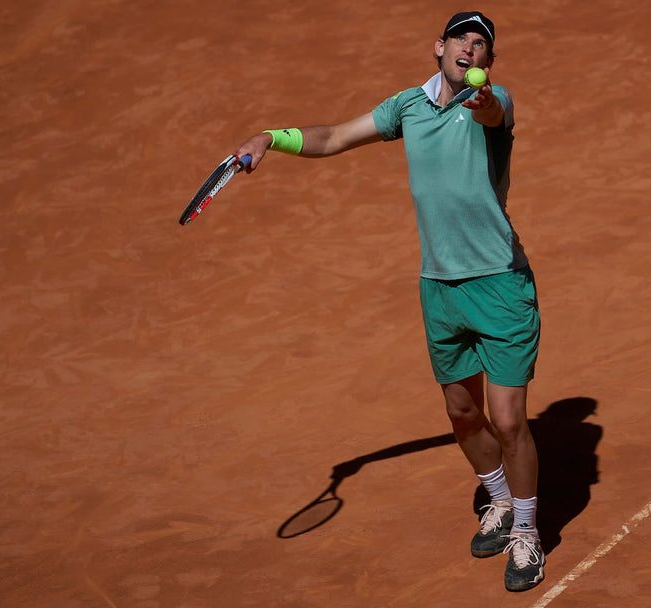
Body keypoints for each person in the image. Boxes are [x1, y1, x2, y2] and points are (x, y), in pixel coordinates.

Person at [233, 11, 545, 593]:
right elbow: (333, 137)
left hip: (501, 284)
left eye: (482, 46)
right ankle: (499, 502)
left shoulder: (493, 102)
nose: (471, 50)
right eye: (462, 39)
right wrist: (270, 137)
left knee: (508, 418)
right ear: (439, 47)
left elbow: (494, 110)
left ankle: (527, 531)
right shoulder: (407, 107)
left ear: (487, 63)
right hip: (439, 287)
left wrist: (483, 105)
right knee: (460, 414)